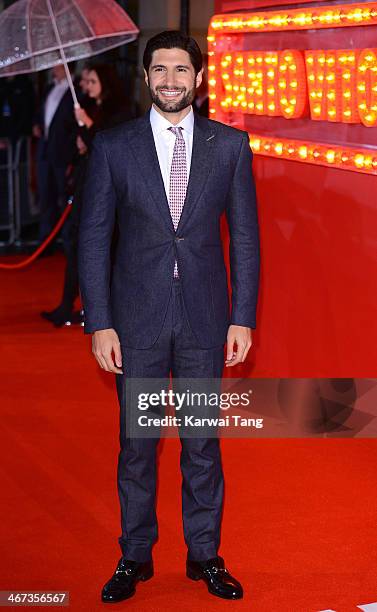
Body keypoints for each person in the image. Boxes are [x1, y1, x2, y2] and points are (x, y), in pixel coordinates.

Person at [78, 31, 259, 603]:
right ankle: (134, 555)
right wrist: (100, 321)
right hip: (136, 322)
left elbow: (246, 241)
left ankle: (205, 556)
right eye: (160, 70)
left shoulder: (230, 146)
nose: (171, 80)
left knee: (202, 444)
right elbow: (93, 238)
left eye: (182, 70)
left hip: (206, 321)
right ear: (147, 77)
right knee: (138, 444)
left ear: (199, 79)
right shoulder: (114, 147)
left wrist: (242, 317)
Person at [41, 64, 131, 327]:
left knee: (103, 251)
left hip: (108, 194)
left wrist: (88, 126)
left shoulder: (120, 112)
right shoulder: (92, 109)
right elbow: (81, 147)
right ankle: (68, 304)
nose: (87, 86)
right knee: (75, 245)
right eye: (86, 81)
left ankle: (104, 308)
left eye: (92, 81)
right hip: (86, 187)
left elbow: (110, 148)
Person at [33, 64, 76, 244]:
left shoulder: (75, 89)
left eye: (57, 64)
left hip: (63, 151)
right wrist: (37, 124)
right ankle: (46, 239)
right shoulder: (50, 88)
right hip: (45, 149)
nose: (53, 68)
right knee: (45, 194)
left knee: (64, 196)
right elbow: (41, 112)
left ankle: (67, 238)